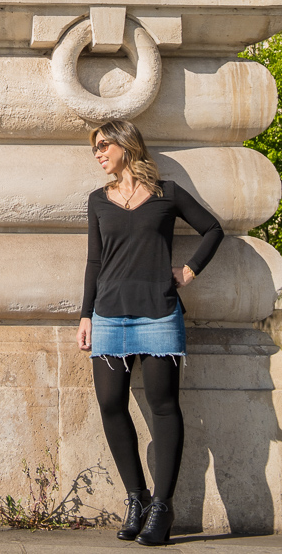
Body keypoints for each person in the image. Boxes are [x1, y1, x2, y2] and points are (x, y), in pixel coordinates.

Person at [76, 119, 223, 546]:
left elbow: (213, 229)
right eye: (94, 148)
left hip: (159, 314)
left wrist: (189, 270)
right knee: (110, 404)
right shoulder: (97, 201)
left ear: (125, 144)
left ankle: (162, 507)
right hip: (109, 315)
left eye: (103, 145)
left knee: (163, 407)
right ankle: (136, 498)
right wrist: (85, 315)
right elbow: (93, 262)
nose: (98, 153)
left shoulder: (167, 194)